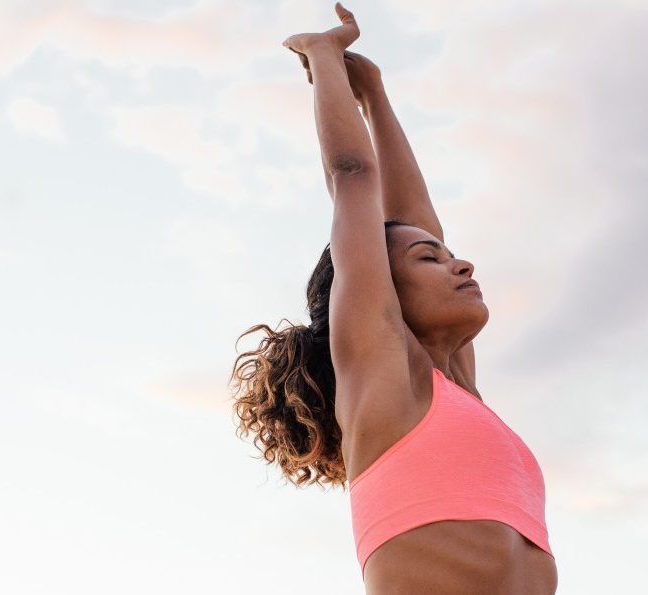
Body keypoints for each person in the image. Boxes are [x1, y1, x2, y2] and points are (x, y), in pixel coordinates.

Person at [230, 3, 556, 593]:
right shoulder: (383, 376)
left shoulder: (457, 387)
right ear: (383, 296)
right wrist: (326, 57)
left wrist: (375, 95)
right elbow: (354, 176)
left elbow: (411, 219)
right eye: (428, 261)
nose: (460, 261)